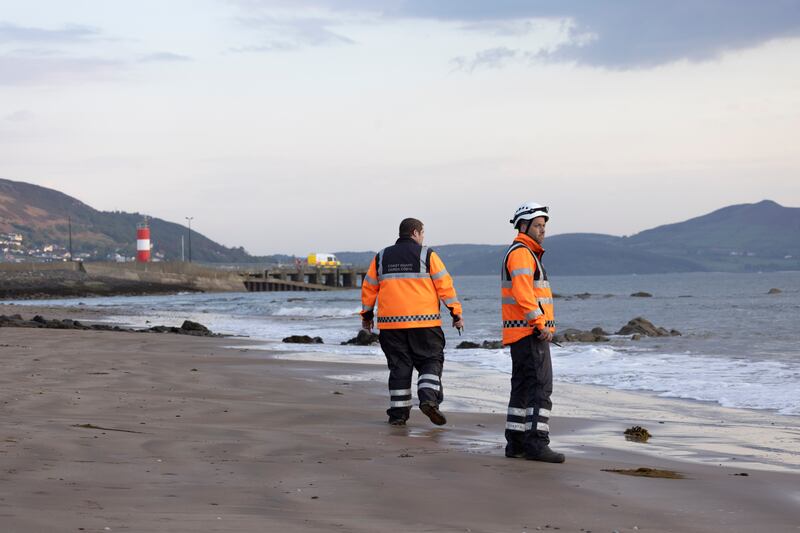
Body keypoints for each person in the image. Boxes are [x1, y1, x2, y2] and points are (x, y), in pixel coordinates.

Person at [361, 218, 464, 426]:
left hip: (391, 326)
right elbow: (445, 286)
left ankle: (398, 415)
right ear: (415, 233)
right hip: (425, 324)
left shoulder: (381, 256)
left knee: (400, 367)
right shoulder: (427, 254)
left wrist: (367, 315)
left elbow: (369, 287)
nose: (423, 237)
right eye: (423, 233)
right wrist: (456, 314)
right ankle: (428, 399)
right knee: (431, 360)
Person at [500, 201, 565, 463]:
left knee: (523, 389)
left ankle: (515, 444)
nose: (543, 230)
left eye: (544, 226)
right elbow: (523, 293)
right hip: (530, 332)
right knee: (540, 388)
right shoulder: (522, 253)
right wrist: (540, 323)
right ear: (523, 226)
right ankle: (536, 444)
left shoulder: (525, 253)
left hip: (522, 333)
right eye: (538, 225)